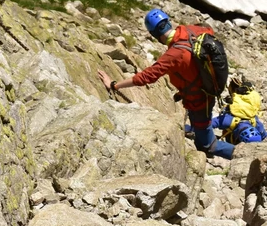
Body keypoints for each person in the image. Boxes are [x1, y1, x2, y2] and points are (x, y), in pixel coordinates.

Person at [97, 8, 234, 159]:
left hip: (198, 102)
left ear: (155, 35)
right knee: (197, 128)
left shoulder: (173, 56)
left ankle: (242, 155)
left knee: (209, 145)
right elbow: (209, 30)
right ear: (168, 22)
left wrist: (114, 85)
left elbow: (145, 77)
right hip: (206, 94)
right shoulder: (190, 30)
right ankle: (197, 133)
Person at [209, 75, 267, 145]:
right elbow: (266, 136)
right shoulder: (230, 121)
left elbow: (208, 124)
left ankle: (236, 94)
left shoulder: (255, 123)